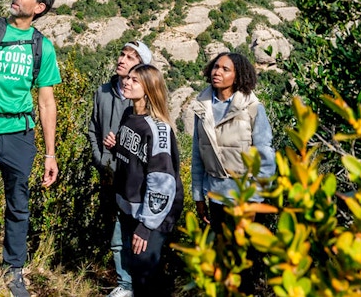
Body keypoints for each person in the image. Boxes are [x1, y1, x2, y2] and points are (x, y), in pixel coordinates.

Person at [0, 0, 61, 297]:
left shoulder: (42, 47)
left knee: (18, 205)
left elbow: (46, 102)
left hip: (18, 135)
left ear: (39, 7)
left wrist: (50, 153)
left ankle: (13, 270)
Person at [103, 64, 183, 297]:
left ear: (149, 89)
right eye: (128, 78)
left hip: (153, 214)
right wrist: (117, 145)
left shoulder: (158, 129)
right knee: (136, 272)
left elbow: (162, 182)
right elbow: (137, 158)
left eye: (135, 80)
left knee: (146, 277)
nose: (127, 82)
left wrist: (147, 226)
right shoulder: (130, 115)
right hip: (131, 208)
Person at [88, 41, 153, 297]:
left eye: (131, 57)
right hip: (108, 175)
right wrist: (101, 161)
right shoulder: (103, 92)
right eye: (122, 54)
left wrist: (121, 149)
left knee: (137, 230)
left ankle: (141, 282)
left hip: (134, 179)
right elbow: (93, 128)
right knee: (116, 232)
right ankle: (124, 284)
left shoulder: (141, 100)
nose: (122, 60)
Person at [191, 52, 276, 232]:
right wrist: (198, 196)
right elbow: (197, 155)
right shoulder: (202, 107)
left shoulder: (252, 108)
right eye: (216, 67)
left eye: (225, 69)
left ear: (238, 76)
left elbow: (265, 155)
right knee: (220, 255)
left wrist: (256, 200)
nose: (217, 72)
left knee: (246, 256)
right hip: (215, 197)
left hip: (245, 198)